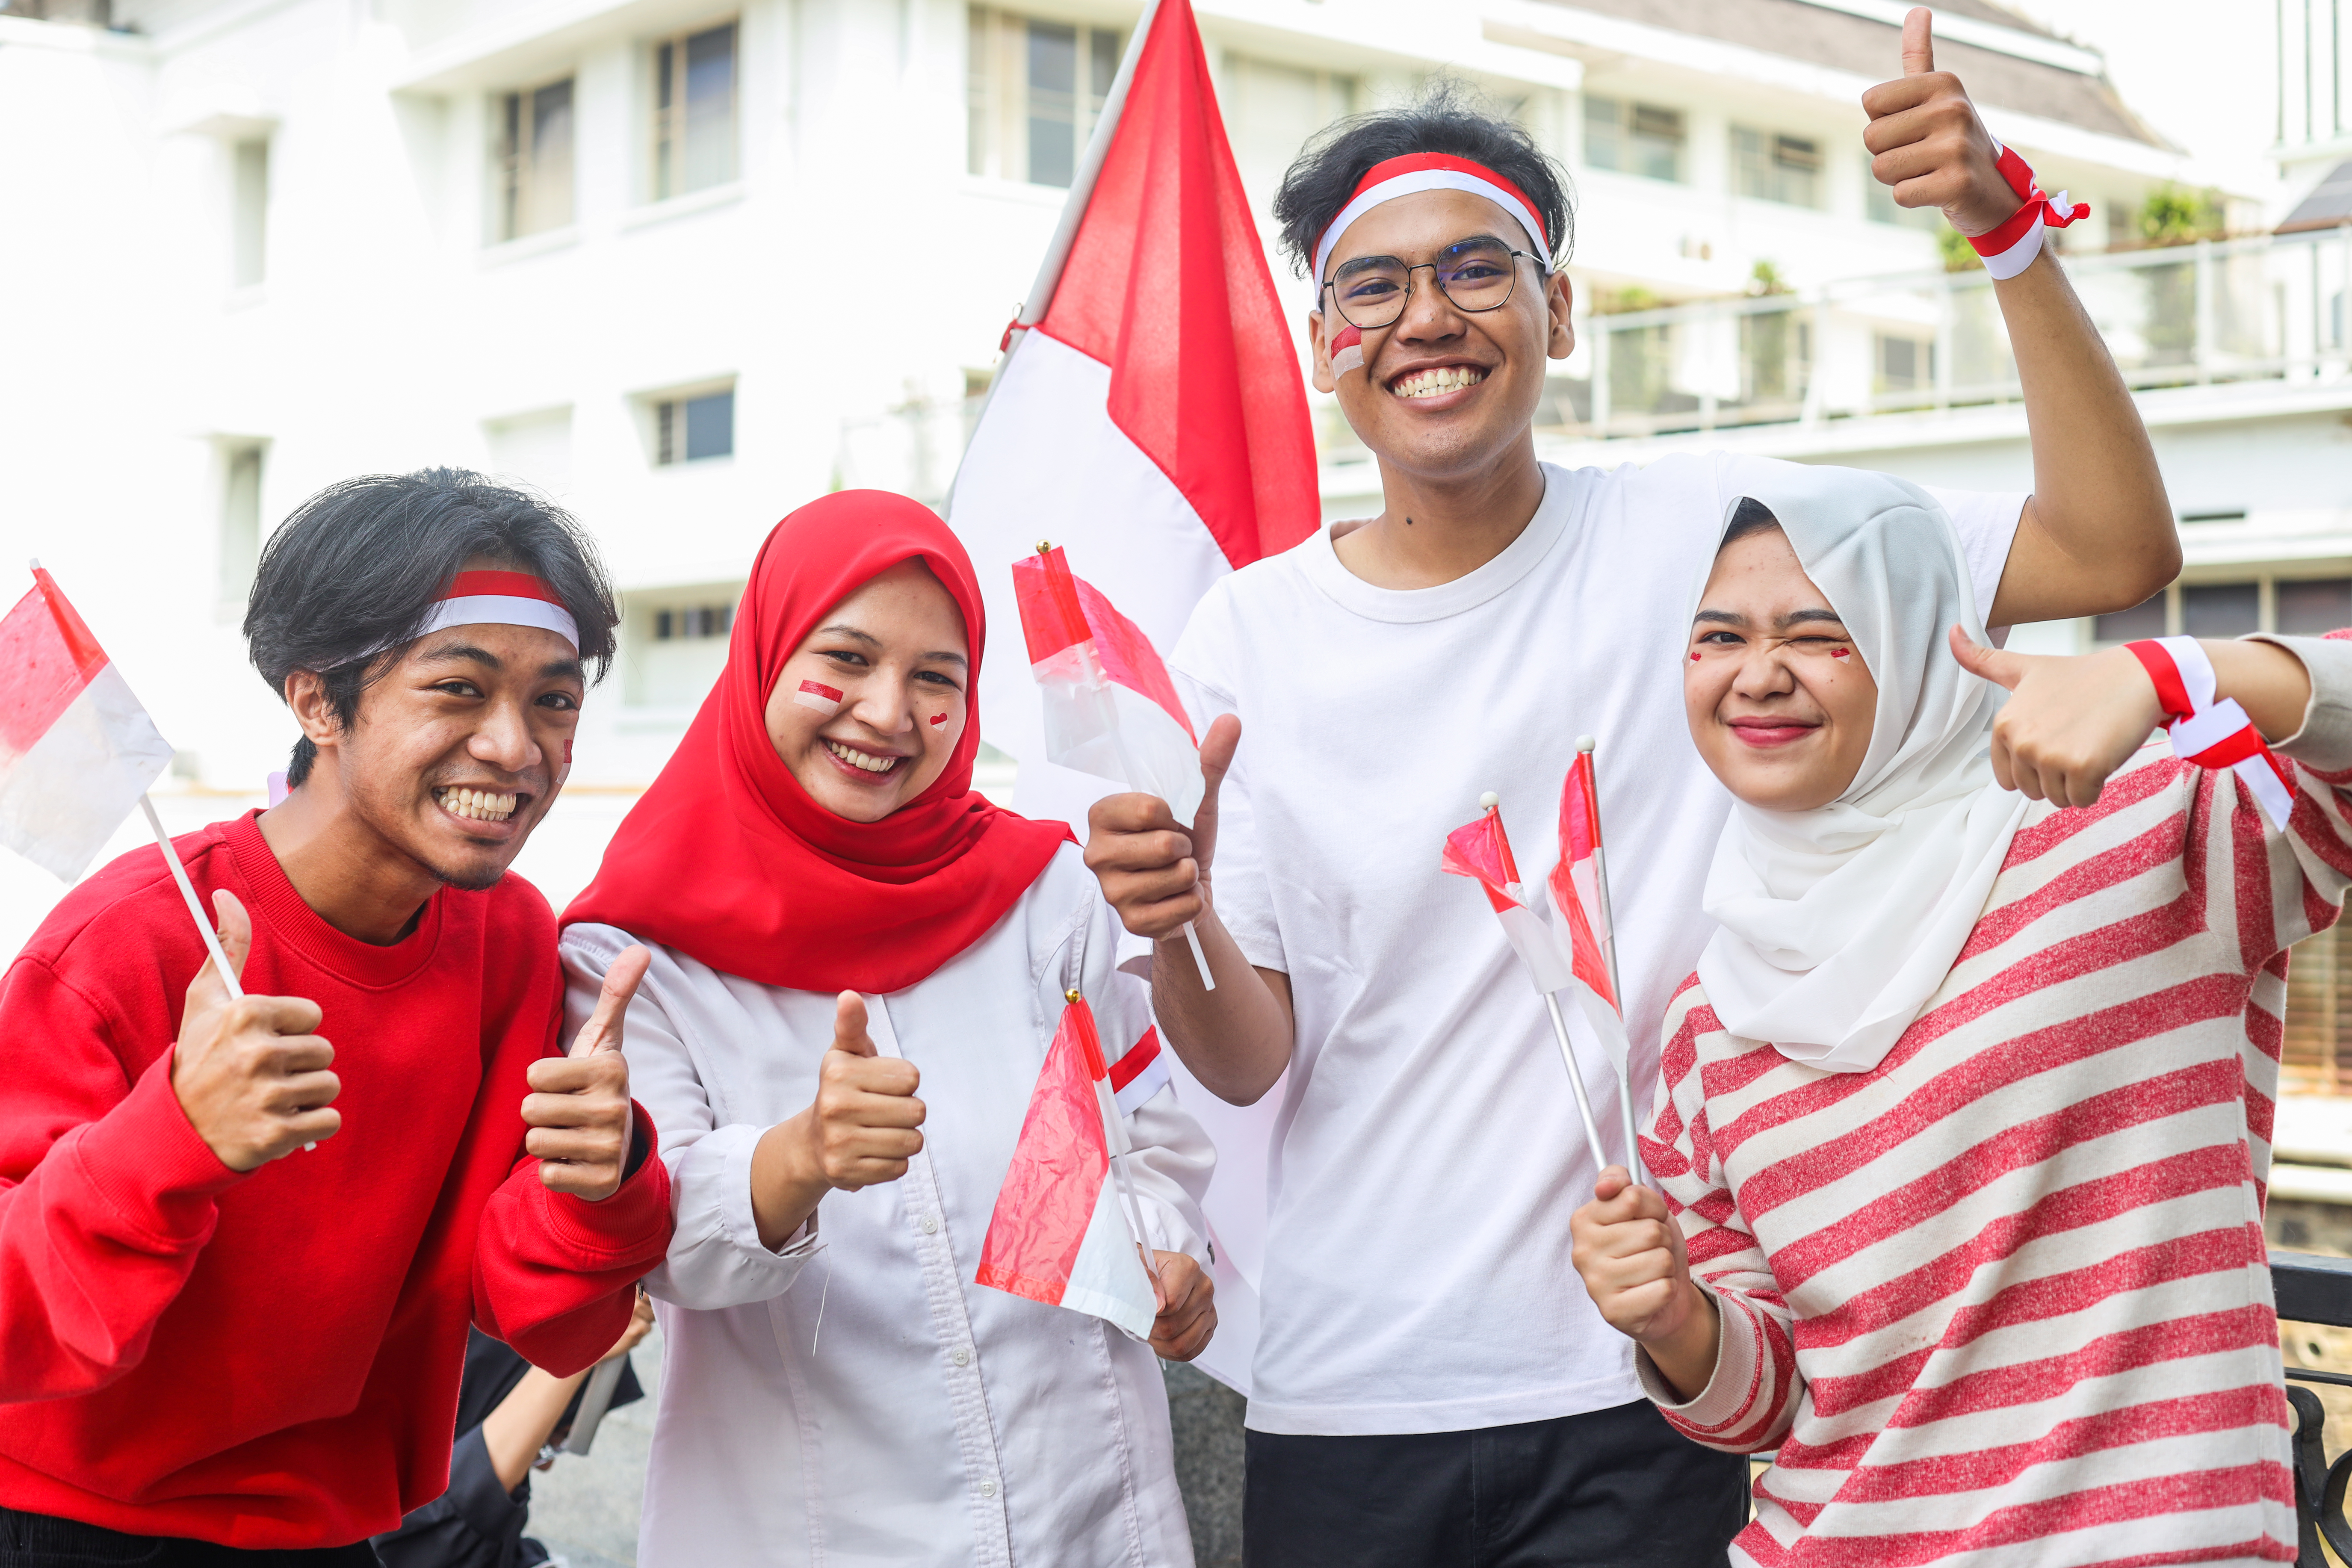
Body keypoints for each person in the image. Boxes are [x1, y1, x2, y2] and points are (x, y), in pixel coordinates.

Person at [1080, 13, 2185, 1563]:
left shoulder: (1708, 536)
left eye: (1477, 268)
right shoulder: (1247, 636)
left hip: (1659, 1365)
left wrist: (2005, 238)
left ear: (1563, 310)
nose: (1427, 317)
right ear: (1323, 334)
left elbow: (2111, 552)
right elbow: (1251, 1055)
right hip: (1350, 1392)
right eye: (1373, 285)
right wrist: (1174, 922)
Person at [1568, 459, 2335, 1562]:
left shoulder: (2143, 826)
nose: (1758, 675)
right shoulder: (1712, 1018)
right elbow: (1767, 1403)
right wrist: (1673, 1319)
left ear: (1925, 639)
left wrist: (2172, 673)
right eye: (1719, 637)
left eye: (1819, 632)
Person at [0, 469, 673, 1565]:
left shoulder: (507, 936)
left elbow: (543, 1319)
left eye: (554, 698)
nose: (515, 745)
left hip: (336, 1525)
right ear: (317, 702)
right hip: (76, 1521)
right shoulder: (123, 941)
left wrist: (602, 1176)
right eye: (458, 688)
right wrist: (174, 1130)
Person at [558, 490, 1217, 1568]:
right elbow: (655, 1247)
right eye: (847, 658)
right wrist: (797, 1159)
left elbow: (1146, 1135)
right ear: (763, 654)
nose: (886, 712)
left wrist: (1167, 1252)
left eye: (935, 679)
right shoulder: (633, 957)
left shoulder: (1042, 894)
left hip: (1093, 1523)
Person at [375, 1291, 656, 1568]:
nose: (546, 1467)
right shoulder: (382, 1530)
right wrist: (585, 1339)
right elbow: (453, 1511)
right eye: (547, 1445)